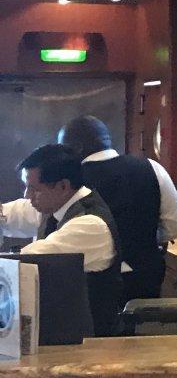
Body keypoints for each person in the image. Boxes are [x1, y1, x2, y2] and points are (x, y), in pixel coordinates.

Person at [57, 116, 177, 302]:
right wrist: (147, 236)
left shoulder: (68, 181)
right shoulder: (150, 167)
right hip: (143, 280)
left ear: (77, 148)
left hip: (91, 284)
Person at [0, 143, 123, 337]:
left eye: (34, 189)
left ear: (63, 186)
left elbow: (26, 261)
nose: (27, 195)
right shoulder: (55, 203)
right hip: (61, 330)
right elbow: (14, 213)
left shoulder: (89, 225)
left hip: (90, 340)